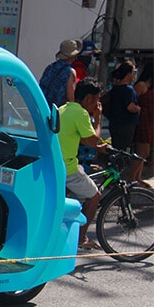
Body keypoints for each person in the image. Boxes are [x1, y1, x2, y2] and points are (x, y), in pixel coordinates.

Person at [58, 77, 109, 250]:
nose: (97, 104)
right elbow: (93, 140)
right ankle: (81, 238)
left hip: (58, 165)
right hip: (68, 167)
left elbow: (80, 139)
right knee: (94, 196)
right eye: (96, 100)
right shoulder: (81, 113)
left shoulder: (64, 108)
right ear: (88, 98)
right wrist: (99, 118)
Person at [129, 61, 153, 188]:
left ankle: (137, 177)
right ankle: (131, 178)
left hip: (149, 121)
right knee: (142, 151)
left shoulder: (150, 85)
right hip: (142, 120)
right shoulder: (141, 85)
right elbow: (133, 100)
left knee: (145, 151)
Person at [107, 61, 141, 152]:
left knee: (116, 148)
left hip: (114, 123)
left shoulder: (115, 88)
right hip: (125, 124)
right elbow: (130, 107)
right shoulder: (128, 89)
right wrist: (138, 109)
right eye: (134, 72)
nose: (134, 75)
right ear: (128, 74)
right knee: (123, 150)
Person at [39, 39, 82, 108]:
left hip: (42, 107)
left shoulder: (50, 67)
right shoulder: (70, 72)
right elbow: (70, 98)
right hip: (57, 112)